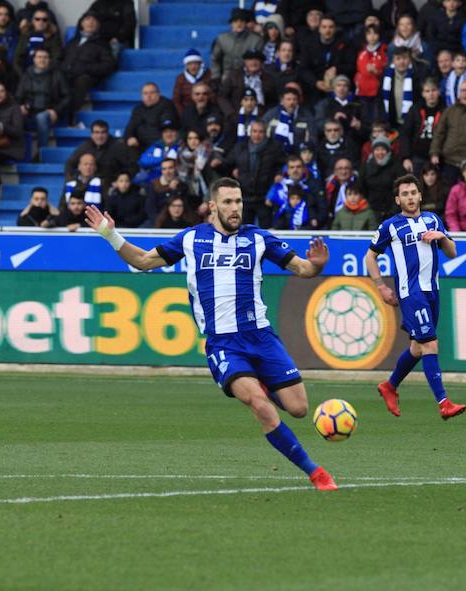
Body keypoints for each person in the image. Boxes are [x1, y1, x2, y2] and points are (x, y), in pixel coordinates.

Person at [84, 178, 338, 491]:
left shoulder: (259, 239)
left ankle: (259, 379)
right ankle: (316, 473)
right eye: (229, 202)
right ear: (213, 206)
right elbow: (142, 261)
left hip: (261, 337)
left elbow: (303, 269)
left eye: (239, 202)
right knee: (261, 406)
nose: (236, 208)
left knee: (299, 408)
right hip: (224, 344)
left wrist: (317, 265)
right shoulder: (191, 239)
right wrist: (111, 235)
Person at [368, 174, 466, 420]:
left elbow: (452, 253)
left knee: (417, 348)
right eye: (405, 194)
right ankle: (444, 402)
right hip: (410, 292)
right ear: (398, 200)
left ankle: (390, 386)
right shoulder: (390, 226)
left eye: (413, 192)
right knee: (430, 344)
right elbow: (369, 257)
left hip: (432, 290)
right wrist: (381, 287)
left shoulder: (433, 219)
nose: (410, 197)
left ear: (420, 195)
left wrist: (441, 237)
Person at [60, 10, 117, 123]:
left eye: (94, 20)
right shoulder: (72, 42)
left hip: (85, 76)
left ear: (98, 25)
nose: (90, 22)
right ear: (81, 23)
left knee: (82, 80)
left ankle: (72, 114)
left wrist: (86, 68)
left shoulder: (102, 44)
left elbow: (109, 64)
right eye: (87, 19)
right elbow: (61, 58)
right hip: (66, 74)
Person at [15, 46, 69, 148]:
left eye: (45, 57)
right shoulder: (26, 76)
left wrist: (55, 110)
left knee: (41, 117)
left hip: (49, 114)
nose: (42, 60)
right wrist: (21, 106)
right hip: (30, 113)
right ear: (34, 59)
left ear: (49, 60)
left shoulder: (57, 75)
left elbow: (67, 97)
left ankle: (41, 151)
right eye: (39, 57)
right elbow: (18, 96)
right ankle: (20, 154)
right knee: (14, 115)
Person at [64, 120, 133, 189]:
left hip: (111, 186)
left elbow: (132, 167)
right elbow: (69, 164)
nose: (100, 136)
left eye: (103, 132)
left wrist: (121, 181)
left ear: (107, 133)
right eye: (96, 132)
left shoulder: (118, 147)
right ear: (91, 134)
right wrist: (71, 181)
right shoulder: (85, 147)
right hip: (89, 186)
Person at [211, 8, 264, 86]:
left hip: (249, 79)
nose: (239, 24)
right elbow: (215, 60)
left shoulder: (256, 40)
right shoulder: (222, 39)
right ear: (231, 24)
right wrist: (216, 78)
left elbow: (260, 62)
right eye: (236, 21)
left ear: (246, 23)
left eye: (242, 21)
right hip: (226, 78)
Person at [13, 7, 62, 75]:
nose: (41, 22)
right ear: (33, 21)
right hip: (25, 75)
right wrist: (23, 75)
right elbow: (17, 58)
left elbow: (56, 59)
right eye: (37, 19)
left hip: (46, 75)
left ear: (48, 22)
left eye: (44, 20)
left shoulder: (54, 37)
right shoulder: (25, 35)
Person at [173, 49, 213, 116]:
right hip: (187, 112)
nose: (193, 67)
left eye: (195, 63)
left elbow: (213, 97)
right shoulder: (180, 78)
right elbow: (176, 100)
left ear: (200, 64)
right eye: (190, 64)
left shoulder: (209, 76)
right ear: (186, 65)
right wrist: (183, 114)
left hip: (207, 111)